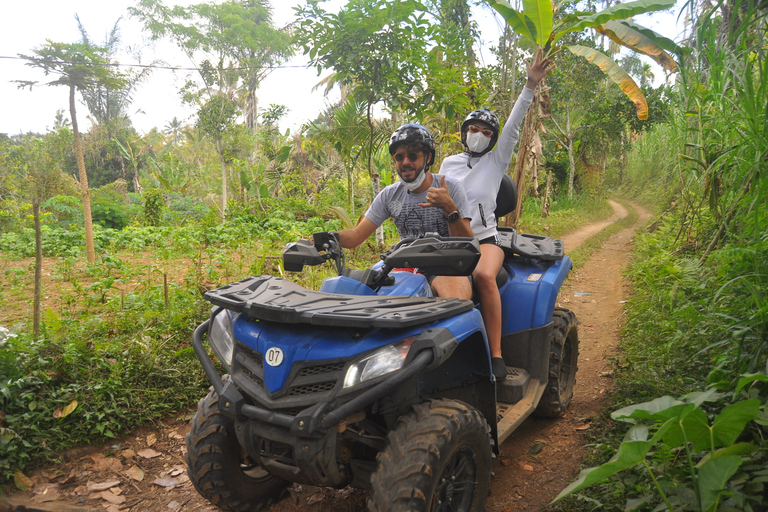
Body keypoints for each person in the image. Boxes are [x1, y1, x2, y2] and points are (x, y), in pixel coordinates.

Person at [439, 48, 554, 380]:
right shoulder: (448, 163)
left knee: (484, 277)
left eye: (487, 133)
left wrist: (530, 86)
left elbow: (515, 124)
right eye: (474, 129)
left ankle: (496, 352)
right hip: (451, 240)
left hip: (485, 240)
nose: (480, 135)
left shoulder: (496, 160)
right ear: (464, 132)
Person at [313, 123, 474, 300]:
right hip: (403, 264)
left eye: (413, 156)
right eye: (399, 157)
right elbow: (356, 235)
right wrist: (325, 239)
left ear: (428, 158)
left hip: (445, 265)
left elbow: (465, 244)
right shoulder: (390, 195)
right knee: (358, 295)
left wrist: (449, 208)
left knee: (457, 302)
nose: (406, 162)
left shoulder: (450, 187)